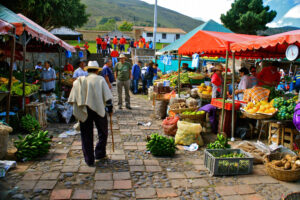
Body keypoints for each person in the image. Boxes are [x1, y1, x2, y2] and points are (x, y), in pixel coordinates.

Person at [68, 61, 113, 166]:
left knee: (86, 135)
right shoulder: (100, 79)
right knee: (103, 132)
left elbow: (73, 96)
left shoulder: (81, 80)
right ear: (97, 70)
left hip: (85, 110)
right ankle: (99, 153)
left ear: (87, 70)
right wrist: (110, 108)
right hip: (99, 110)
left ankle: (89, 159)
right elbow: (108, 97)